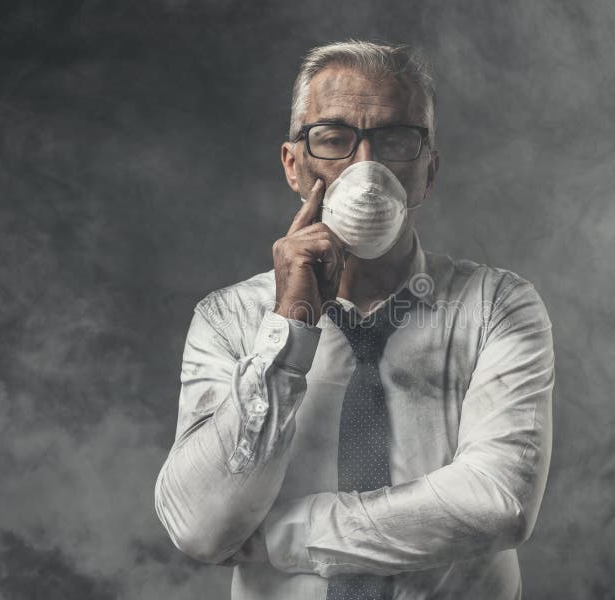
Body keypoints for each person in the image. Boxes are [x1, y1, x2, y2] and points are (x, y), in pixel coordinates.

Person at [154, 40, 554, 600]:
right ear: (294, 166)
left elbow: (498, 502)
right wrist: (289, 330)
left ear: (428, 172)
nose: (365, 168)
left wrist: (286, 533)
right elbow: (199, 527)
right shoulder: (229, 319)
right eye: (335, 139)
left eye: (394, 140)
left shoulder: (495, 307)